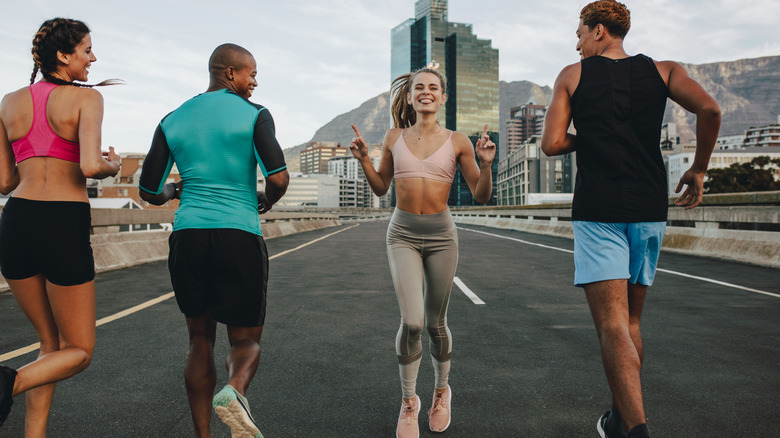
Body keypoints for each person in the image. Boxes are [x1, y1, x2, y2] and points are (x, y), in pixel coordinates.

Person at [540, 1, 721, 437]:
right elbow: (711, 110)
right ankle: (620, 420)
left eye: (580, 33)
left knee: (612, 325)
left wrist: (590, 136)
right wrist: (698, 169)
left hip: (599, 209)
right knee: (632, 323)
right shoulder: (665, 71)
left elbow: (550, 143)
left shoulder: (573, 74)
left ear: (599, 31)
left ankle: (636, 431)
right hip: (648, 207)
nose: (577, 42)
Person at [139, 43, 288, 438]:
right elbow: (278, 178)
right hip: (238, 234)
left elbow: (148, 190)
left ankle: (203, 435)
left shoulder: (172, 118)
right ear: (229, 73)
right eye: (250, 74)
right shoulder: (254, 114)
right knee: (244, 340)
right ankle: (234, 391)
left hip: (188, 236)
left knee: (199, 339)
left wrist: (175, 190)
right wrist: (266, 202)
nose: (254, 81)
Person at [350, 67, 495, 438]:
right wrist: (366, 158)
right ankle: (409, 401)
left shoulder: (459, 141)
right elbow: (382, 188)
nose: (426, 92)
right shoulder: (394, 136)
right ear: (411, 97)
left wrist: (487, 164)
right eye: (420, 88)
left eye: (434, 88)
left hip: (442, 236)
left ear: (443, 97)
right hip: (402, 234)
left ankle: (442, 390)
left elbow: (481, 195)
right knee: (412, 322)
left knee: (435, 324)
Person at [0, 18, 121, 434]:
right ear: (63, 56)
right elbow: (89, 165)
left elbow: (4, 182)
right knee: (80, 350)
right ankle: (5, 383)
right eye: (87, 50)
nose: (93, 58)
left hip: (16, 221)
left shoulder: (8, 102)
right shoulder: (87, 100)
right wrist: (112, 167)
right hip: (61, 222)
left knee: (49, 345)